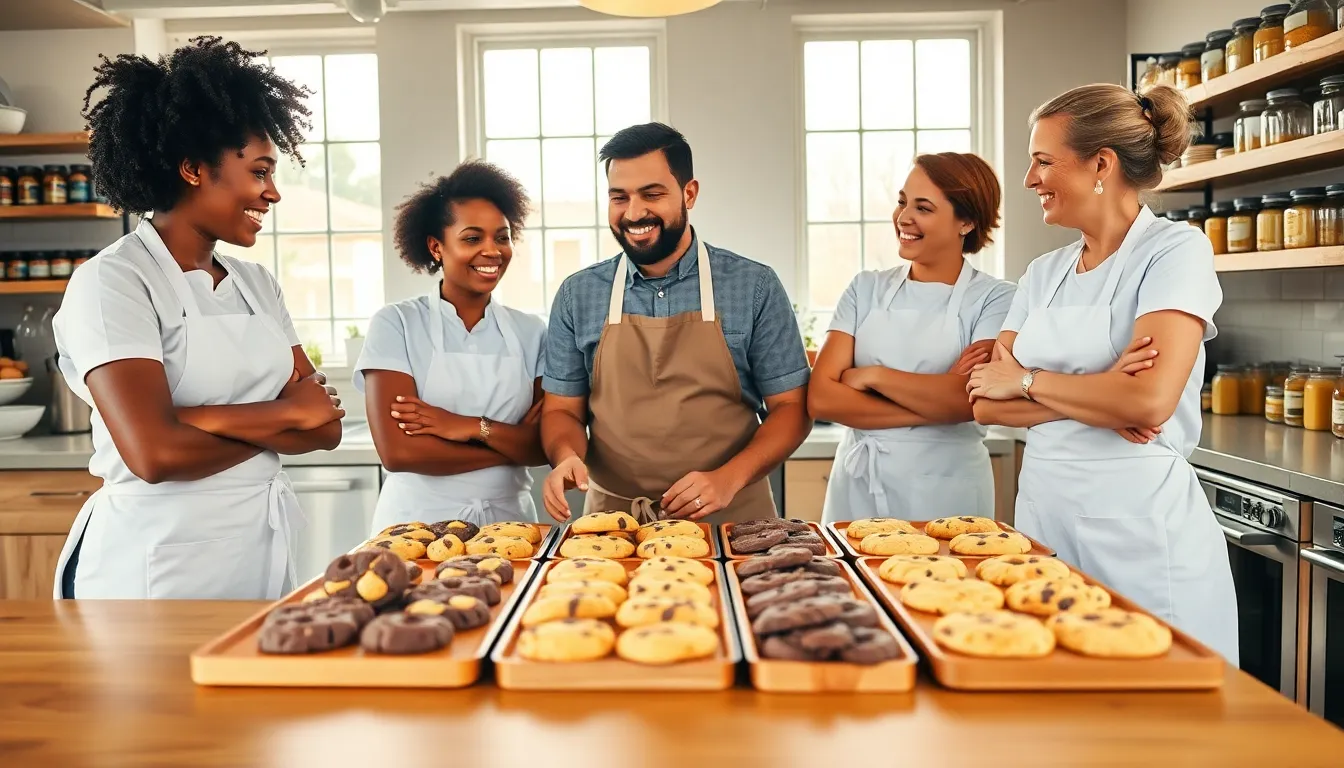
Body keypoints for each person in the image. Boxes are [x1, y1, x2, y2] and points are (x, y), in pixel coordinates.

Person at [51, 37, 344, 600]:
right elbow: (155, 455)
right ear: (192, 169)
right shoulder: (114, 282)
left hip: (256, 548)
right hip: (153, 563)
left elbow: (327, 428)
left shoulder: (258, 284)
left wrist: (199, 417)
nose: (273, 193)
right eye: (260, 172)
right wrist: (282, 417)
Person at [968, 83, 1238, 662]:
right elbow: (985, 403)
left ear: (1101, 164)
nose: (1029, 179)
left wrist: (1029, 381)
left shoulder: (1174, 252)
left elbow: (1147, 405)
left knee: (1153, 720)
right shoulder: (1044, 272)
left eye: (1043, 161)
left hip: (1140, 528)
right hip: (1045, 516)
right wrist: (1104, 389)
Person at [540, 123, 812, 524]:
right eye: (620, 197)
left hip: (734, 518)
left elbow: (792, 408)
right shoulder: (577, 294)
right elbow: (561, 410)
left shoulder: (753, 286)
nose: (633, 213)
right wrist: (565, 457)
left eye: (652, 194)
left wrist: (727, 479)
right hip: (615, 524)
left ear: (689, 193)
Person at [810, 153, 1016, 523]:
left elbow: (968, 401)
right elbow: (821, 398)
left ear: (966, 221)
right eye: (902, 201)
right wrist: (937, 399)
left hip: (946, 490)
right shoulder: (865, 288)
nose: (904, 217)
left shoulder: (996, 298)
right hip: (857, 487)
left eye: (923, 208)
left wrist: (873, 377)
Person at [356, 161, 547, 532]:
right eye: (473, 238)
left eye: (502, 237)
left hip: (511, 527)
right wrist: (506, 445)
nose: (492, 251)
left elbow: (540, 447)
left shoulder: (531, 331)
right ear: (436, 247)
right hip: (417, 525)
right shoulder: (396, 324)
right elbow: (398, 452)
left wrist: (465, 426)